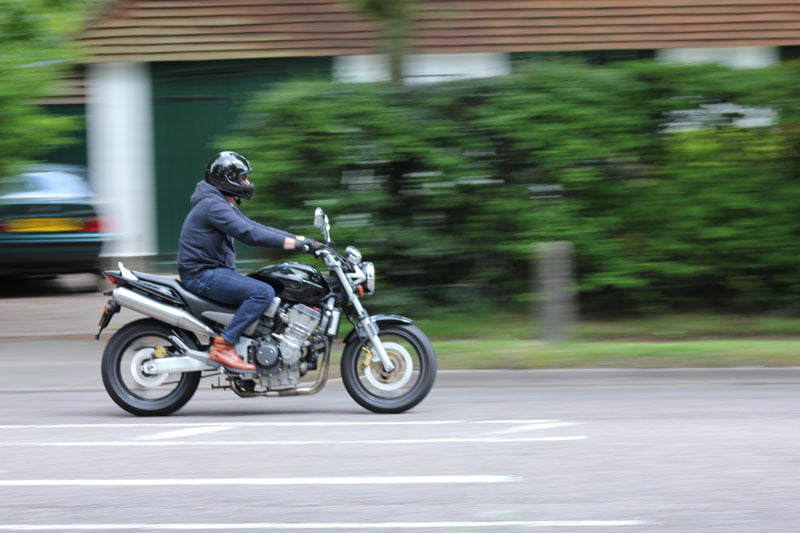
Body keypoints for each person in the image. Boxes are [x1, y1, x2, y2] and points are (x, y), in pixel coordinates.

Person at [177, 151, 319, 371]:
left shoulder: (217, 203)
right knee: (262, 292)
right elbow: (248, 233)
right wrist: (296, 245)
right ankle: (224, 346)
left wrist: (300, 240)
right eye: (243, 178)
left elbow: (256, 226)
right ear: (227, 178)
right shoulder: (213, 205)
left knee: (269, 286)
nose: (248, 183)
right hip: (202, 275)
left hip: (211, 272)